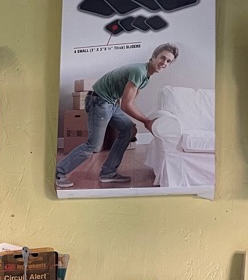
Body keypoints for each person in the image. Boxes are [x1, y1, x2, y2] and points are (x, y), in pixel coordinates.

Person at [56, 43, 179, 187]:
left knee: (128, 129)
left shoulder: (146, 76)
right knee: (93, 145)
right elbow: (126, 106)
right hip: (99, 101)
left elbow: (130, 101)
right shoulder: (139, 72)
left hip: (110, 102)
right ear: (153, 57)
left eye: (168, 61)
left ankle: (108, 173)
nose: (164, 63)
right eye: (162, 58)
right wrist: (146, 121)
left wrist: (145, 120)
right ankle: (58, 172)